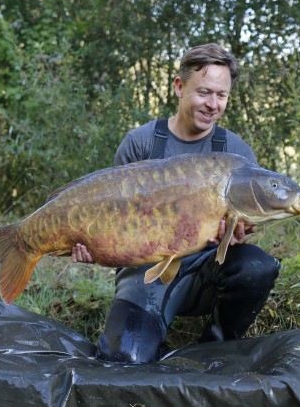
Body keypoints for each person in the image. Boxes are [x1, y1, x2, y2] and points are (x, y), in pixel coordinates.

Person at [72, 43, 280, 363]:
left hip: (208, 271)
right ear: (179, 87)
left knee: (257, 265)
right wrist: (92, 244)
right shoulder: (140, 143)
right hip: (146, 275)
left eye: (221, 95)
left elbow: (244, 225)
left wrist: (236, 235)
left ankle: (213, 347)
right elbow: (113, 222)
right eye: (204, 92)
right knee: (122, 358)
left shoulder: (237, 154)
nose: (213, 104)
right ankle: (146, 335)